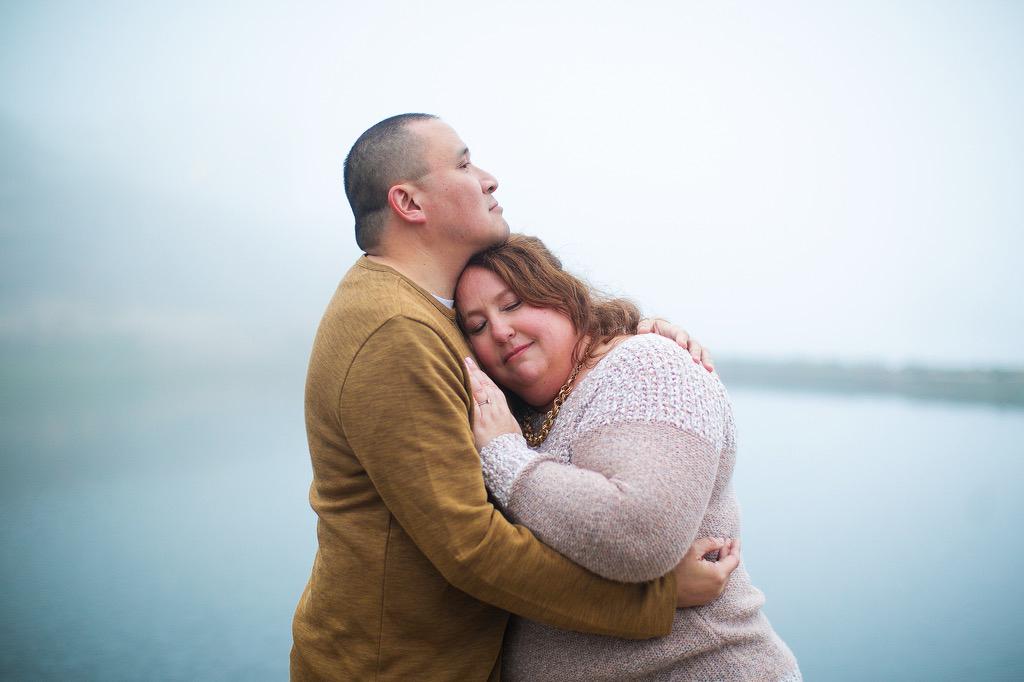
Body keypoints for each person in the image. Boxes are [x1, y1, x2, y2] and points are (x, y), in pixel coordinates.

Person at [291, 113, 737, 680]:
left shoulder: (425, 314)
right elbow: (470, 548)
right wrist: (656, 599)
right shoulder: (393, 329)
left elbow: (534, 388)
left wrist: (625, 336)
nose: (487, 177)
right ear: (408, 203)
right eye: (462, 162)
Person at [456, 234, 802, 681]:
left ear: (562, 295)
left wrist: (507, 462)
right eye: (478, 326)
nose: (500, 330)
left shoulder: (645, 366)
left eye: (513, 303)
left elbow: (640, 534)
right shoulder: (513, 415)